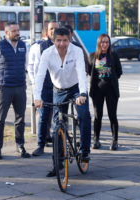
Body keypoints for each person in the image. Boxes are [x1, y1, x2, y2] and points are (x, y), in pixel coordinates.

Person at [34, 27, 91, 177]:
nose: (61, 44)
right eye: (58, 40)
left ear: (70, 39)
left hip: (77, 87)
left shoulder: (76, 51)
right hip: (58, 90)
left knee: (84, 115)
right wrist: (37, 97)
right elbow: (40, 76)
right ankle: (57, 163)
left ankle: (85, 151)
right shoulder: (47, 53)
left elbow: (81, 72)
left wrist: (83, 93)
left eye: (65, 40)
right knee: (57, 127)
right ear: (53, 40)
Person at [0, 22, 30, 160]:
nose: (17, 33)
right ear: (6, 33)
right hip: (4, 88)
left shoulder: (23, 46)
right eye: (14, 31)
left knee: (20, 118)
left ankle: (20, 145)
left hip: (20, 87)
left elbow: (26, 65)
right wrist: (1, 77)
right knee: (0, 119)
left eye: (18, 30)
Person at [28, 21, 59, 156]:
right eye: (51, 29)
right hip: (44, 87)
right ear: (47, 31)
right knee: (43, 116)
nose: (54, 31)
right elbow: (31, 67)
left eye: (56, 29)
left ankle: (59, 143)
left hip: (58, 86)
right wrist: (35, 84)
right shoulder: (38, 46)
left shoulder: (63, 45)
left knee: (59, 117)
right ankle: (40, 145)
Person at [88, 33, 122, 151]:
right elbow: (89, 71)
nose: (105, 44)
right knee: (98, 116)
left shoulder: (114, 55)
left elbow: (119, 72)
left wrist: (110, 79)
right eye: (102, 42)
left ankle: (114, 141)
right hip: (97, 91)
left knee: (113, 116)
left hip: (111, 91)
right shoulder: (92, 56)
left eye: (107, 42)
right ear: (99, 43)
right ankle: (96, 139)